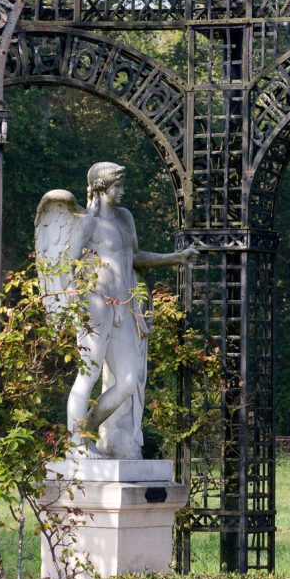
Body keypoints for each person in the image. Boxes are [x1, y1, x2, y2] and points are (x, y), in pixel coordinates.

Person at [38, 161, 198, 459]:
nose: (122, 191)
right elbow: (67, 268)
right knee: (88, 375)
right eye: (117, 186)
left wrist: (176, 258)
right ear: (101, 188)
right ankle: (76, 447)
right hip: (96, 305)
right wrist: (76, 305)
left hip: (125, 307)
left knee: (127, 382)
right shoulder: (88, 223)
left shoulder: (125, 218)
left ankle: (82, 434)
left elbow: (135, 258)